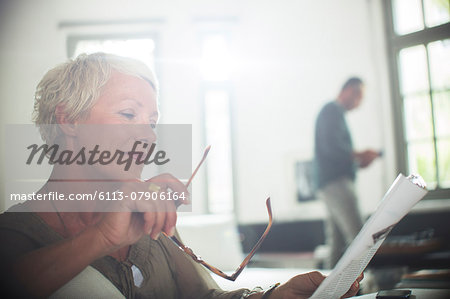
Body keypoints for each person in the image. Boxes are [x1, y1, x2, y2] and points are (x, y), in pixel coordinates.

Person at [0, 53, 362, 298]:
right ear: (67, 120)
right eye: (128, 114)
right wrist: (102, 237)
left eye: (152, 122)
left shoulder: (152, 223)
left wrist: (275, 295)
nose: (150, 135)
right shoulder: (14, 234)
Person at [314, 77, 380, 269]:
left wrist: (358, 162)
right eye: (359, 95)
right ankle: (368, 285)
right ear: (349, 90)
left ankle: (327, 292)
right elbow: (332, 149)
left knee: (337, 243)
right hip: (336, 184)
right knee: (360, 238)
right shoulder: (331, 110)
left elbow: (335, 154)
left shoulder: (334, 113)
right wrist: (361, 154)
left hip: (330, 183)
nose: (360, 102)